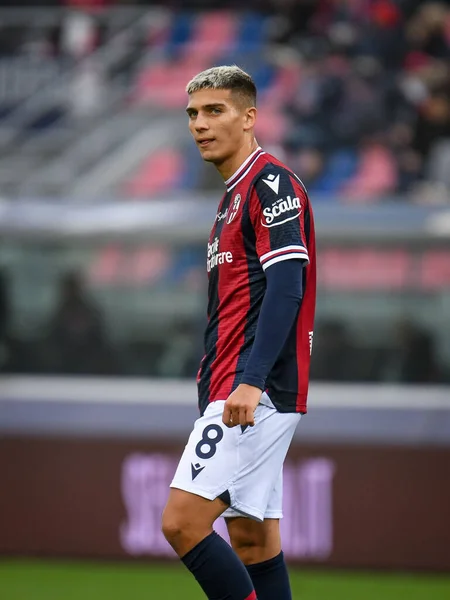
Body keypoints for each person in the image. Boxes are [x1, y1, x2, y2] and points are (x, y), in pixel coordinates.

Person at [162, 65, 317, 600]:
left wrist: (248, 381)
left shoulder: (270, 182)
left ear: (250, 117)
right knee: (252, 541)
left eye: (214, 110)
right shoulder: (228, 200)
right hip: (234, 388)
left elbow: (287, 288)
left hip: (254, 391)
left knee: (182, 523)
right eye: (192, 114)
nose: (199, 124)